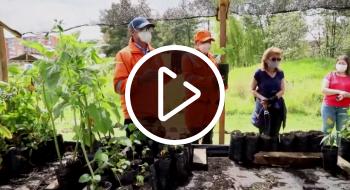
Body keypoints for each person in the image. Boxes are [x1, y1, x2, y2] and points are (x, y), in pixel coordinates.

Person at [113, 16, 159, 137]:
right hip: (134, 116)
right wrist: (141, 78)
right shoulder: (123, 55)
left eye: (149, 29)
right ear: (132, 32)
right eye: (143, 30)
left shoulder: (156, 53)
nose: (147, 33)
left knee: (158, 153)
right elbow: (118, 87)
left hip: (155, 114)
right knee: (137, 154)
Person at [182, 30, 219, 144]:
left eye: (209, 41)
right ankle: (191, 161)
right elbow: (189, 79)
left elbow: (216, 79)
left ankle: (207, 161)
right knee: (192, 139)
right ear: (197, 43)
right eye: (204, 42)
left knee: (208, 140)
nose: (208, 44)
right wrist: (209, 81)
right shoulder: (188, 57)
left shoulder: (213, 58)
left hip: (211, 106)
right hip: (195, 106)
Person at [251, 47, 286, 137]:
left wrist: (273, 99)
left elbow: (282, 90)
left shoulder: (280, 73)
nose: (276, 61)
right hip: (263, 107)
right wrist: (263, 99)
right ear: (266, 60)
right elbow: (252, 89)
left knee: (275, 134)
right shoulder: (259, 73)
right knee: (264, 134)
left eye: (279, 59)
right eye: (273, 59)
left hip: (277, 106)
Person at [321, 55, 350, 142]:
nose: (341, 65)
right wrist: (339, 92)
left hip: (344, 110)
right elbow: (324, 90)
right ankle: (325, 148)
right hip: (329, 108)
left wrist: (345, 94)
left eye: (343, 63)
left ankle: (340, 152)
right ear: (336, 64)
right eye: (339, 63)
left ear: (348, 65)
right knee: (327, 128)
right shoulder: (330, 75)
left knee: (342, 131)